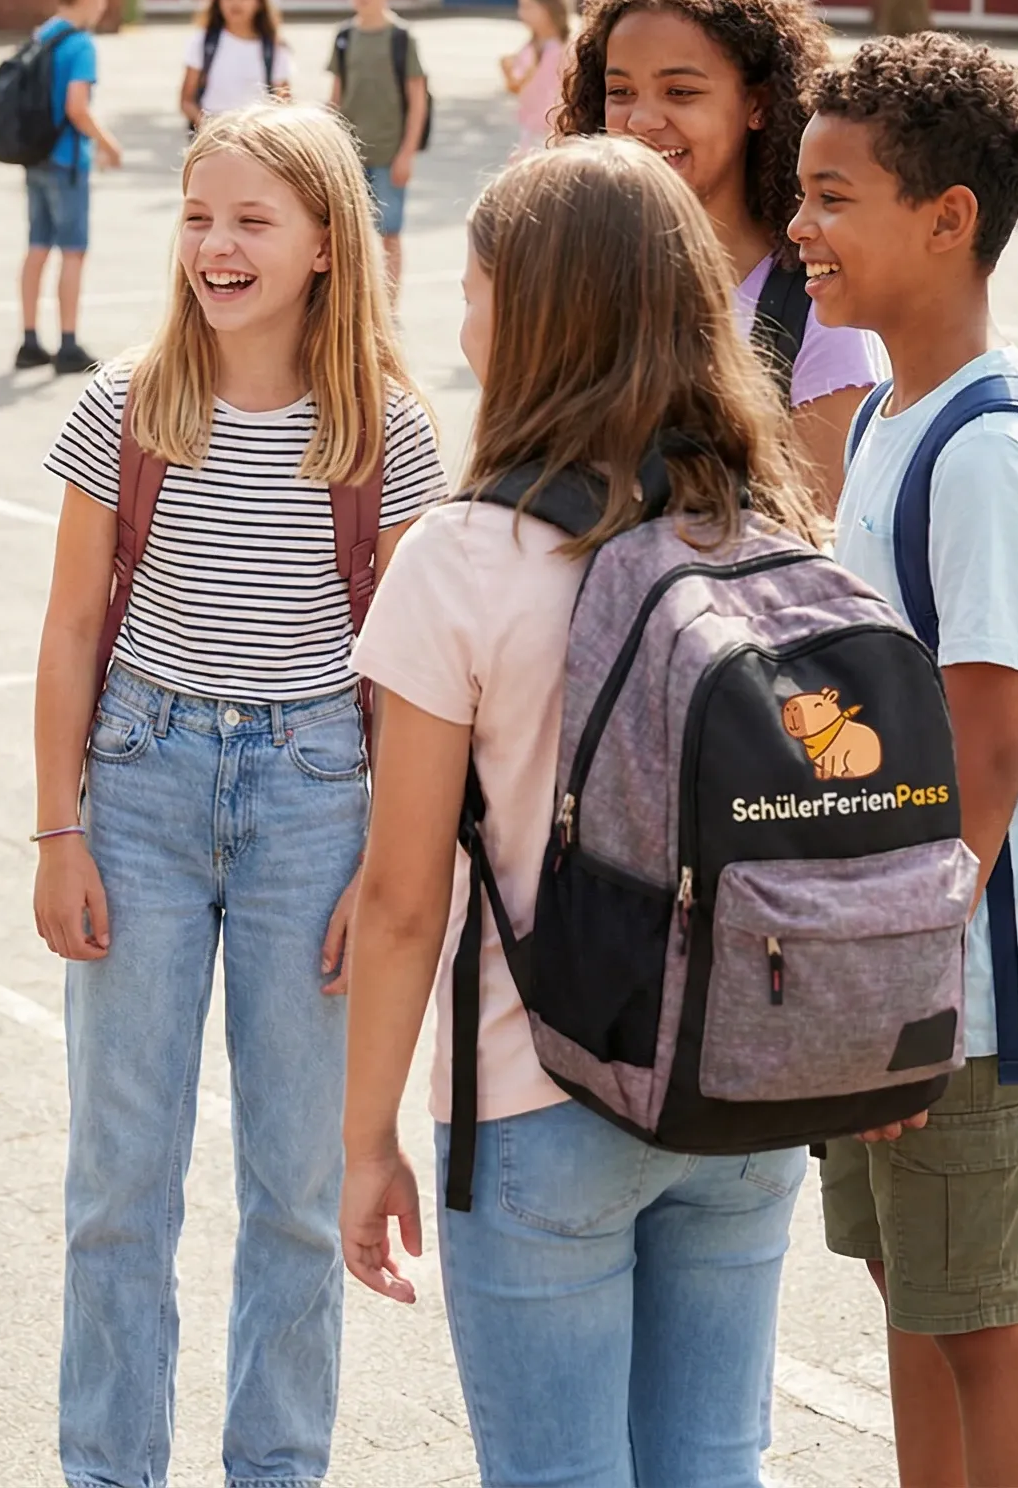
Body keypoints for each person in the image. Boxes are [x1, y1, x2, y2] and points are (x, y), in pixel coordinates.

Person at [341, 139, 821, 1488]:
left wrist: (368, 1137)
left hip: (538, 1093)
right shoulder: (765, 522)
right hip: (741, 1089)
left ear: (536, 317)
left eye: (475, 288)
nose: (458, 319)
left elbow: (399, 901)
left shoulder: (466, 555)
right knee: (713, 1467)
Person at [33, 102, 448, 1488]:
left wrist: (386, 867)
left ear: (328, 243)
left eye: (254, 220)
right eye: (201, 216)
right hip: (141, 791)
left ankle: (277, 1466)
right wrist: (59, 832)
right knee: (119, 1186)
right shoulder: (127, 406)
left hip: (320, 799)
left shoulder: (386, 428)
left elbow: (416, 671)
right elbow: (72, 633)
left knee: (298, 1189)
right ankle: (109, 1467)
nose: (219, 244)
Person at [796, 35, 1018, 1488]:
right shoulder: (891, 420)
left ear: (947, 217)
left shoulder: (989, 451)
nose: (802, 230)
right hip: (891, 970)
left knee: (986, 1319)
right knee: (914, 1300)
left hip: (957, 987)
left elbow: (986, 753)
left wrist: (906, 989)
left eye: (834, 198)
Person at [555, 0, 883, 507]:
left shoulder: (816, 308)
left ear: (759, 104)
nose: (641, 119)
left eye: (680, 92)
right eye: (620, 91)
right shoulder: (577, 274)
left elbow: (819, 540)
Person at [17, 0, 122, 377]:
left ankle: (28, 339)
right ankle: (68, 342)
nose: (102, 8)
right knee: (74, 252)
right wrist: (108, 144)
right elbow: (77, 106)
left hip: (35, 156)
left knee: (38, 247)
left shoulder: (42, 35)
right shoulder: (80, 44)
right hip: (66, 160)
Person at [327, 0, 428, 300]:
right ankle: (357, 303)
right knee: (348, 235)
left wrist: (407, 153)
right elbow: (336, 97)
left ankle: (389, 307)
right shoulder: (344, 37)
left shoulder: (401, 38)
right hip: (351, 155)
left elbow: (418, 100)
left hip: (389, 153)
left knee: (389, 234)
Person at [178, 0, 293, 128]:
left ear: (259, 1)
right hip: (213, 135)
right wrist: (210, 128)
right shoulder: (204, 42)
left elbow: (283, 102)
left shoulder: (274, 48)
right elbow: (186, 100)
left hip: (257, 137)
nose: (235, 2)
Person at [499, 0, 575, 154]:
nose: (521, 13)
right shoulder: (529, 46)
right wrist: (507, 71)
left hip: (557, 134)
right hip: (530, 131)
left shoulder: (567, 49)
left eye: (528, 7)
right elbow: (516, 87)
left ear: (550, 9)